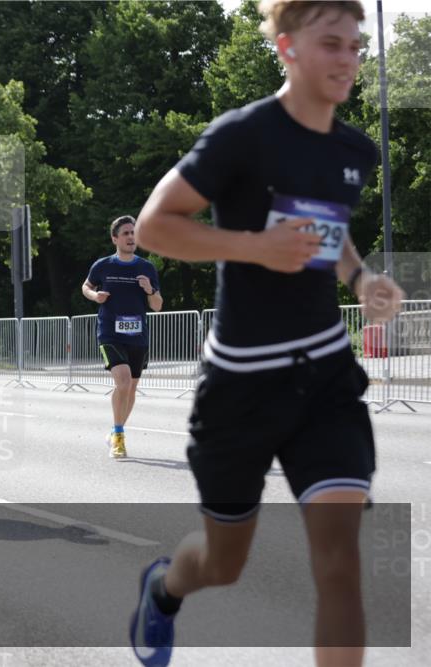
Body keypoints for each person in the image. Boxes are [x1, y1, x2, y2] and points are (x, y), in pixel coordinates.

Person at [127, 2, 406, 666]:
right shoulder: (242, 136)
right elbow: (155, 226)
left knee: (339, 559)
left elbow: (327, 231)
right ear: (287, 47)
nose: (348, 59)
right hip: (242, 385)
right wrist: (253, 246)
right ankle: (164, 589)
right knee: (222, 563)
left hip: (326, 380)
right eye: (331, 44)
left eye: (356, 46)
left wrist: (361, 280)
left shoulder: (353, 149)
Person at [82, 215, 163, 459]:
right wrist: (95, 297)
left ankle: (115, 430)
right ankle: (119, 436)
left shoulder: (146, 268)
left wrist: (150, 290)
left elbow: (157, 306)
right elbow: (86, 286)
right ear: (115, 238)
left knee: (131, 388)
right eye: (126, 233)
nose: (131, 237)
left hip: (138, 336)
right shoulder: (103, 266)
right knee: (124, 382)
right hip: (109, 333)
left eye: (133, 233)